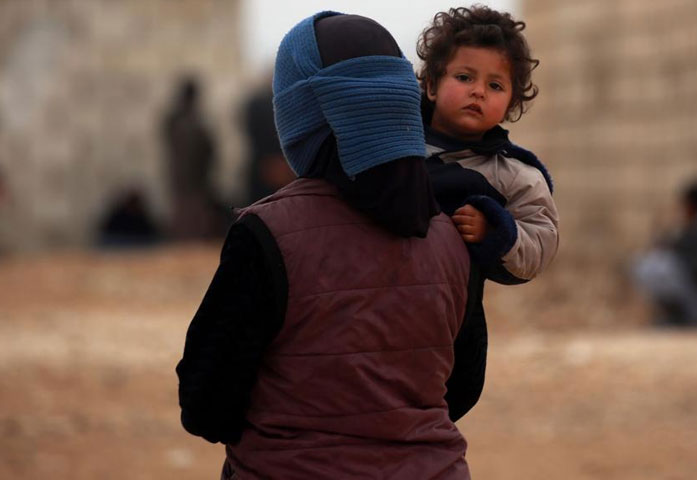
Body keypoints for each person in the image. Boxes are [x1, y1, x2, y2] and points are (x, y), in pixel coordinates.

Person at [177, 12, 483, 479]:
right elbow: (459, 390)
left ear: (303, 116)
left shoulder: (267, 234)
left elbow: (206, 403)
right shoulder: (455, 232)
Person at [415, 6, 559, 376]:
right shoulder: (393, 149)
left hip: (450, 329)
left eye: (495, 86)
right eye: (464, 77)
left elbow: (539, 240)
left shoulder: (512, 176)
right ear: (431, 85)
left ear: (510, 104)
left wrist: (496, 230)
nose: (478, 91)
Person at [633, 180, 697, 326]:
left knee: (659, 268)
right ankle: (679, 316)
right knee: (651, 264)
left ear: (693, 205)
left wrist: (675, 260)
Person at [162, 76, 222, 239]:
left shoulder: (175, 120)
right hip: (194, 177)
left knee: (186, 215)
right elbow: (208, 148)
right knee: (191, 217)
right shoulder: (191, 122)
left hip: (185, 176)